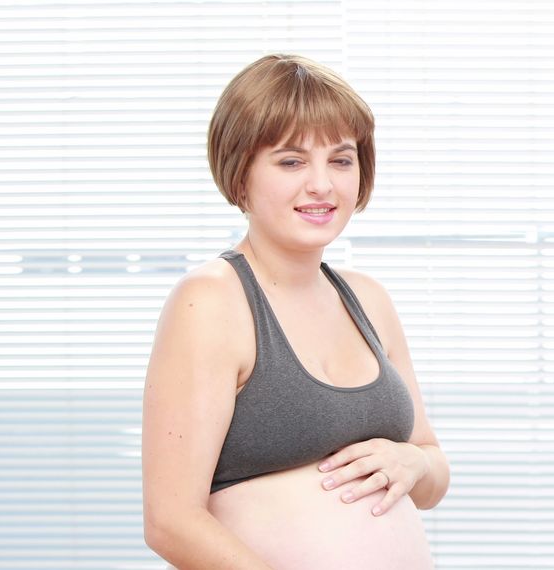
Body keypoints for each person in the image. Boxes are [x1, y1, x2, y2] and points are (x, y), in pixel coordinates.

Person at [141, 53, 449, 569]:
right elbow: (170, 521)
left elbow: (432, 476)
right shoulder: (211, 301)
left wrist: (412, 461)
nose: (322, 185)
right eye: (291, 161)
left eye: (341, 159)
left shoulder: (369, 300)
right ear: (240, 175)